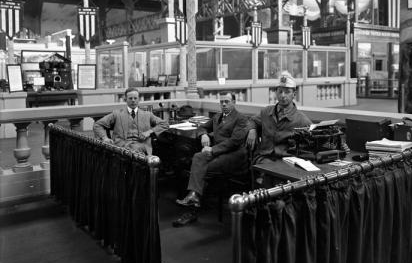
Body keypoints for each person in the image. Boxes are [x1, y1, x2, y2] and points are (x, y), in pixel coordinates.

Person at [173, 91, 248, 226]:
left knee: (201, 169)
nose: (224, 104)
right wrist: (204, 135)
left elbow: (234, 142)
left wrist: (212, 150)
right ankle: (194, 197)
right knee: (197, 157)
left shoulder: (241, 118)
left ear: (234, 102)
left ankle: (193, 207)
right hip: (220, 153)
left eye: (227, 101)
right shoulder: (218, 116)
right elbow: (202, 127)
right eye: (222, 102)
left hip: (235, 156)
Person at [246, 71, 312, 186]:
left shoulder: (302, 120)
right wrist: (252, 130)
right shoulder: (266, 112)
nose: (282, 95)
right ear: (275, 92)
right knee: (271, 175)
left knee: (276, 180)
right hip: (263, 157)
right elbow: (251, 120)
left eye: (287, 92)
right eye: (280, 91)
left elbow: (314, 139)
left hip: (286, 162)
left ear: (294, 94)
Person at [93, 87, 169, 155]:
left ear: (139, 99)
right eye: (130, 98)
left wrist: (149, 132)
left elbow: (164, 124)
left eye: (135, 98)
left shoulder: (147, 115)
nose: (133, 101)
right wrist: (104, 138)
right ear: (125, 100)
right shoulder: (117, 114)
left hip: (142, 147)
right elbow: (98, 124)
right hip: (121, 148)